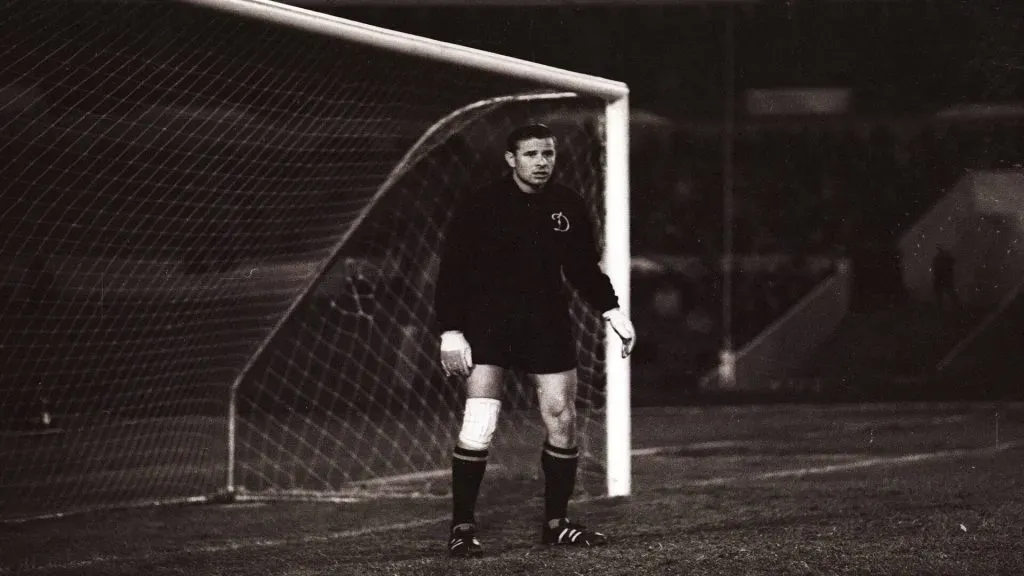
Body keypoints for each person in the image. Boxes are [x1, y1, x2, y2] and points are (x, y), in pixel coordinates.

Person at [434, 124, 636, 558]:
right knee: (480, 423)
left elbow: (583, 266)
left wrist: (612, 309)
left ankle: (556, 524)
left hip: (546, 322)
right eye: (531, 155)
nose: (542, 162)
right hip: (489, 322)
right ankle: (462, 527)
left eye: (548, 154)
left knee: (562, 416)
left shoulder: (567, 204)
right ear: (511, 159)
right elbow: (452, 270)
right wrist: (450, 330)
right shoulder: (482, 205)